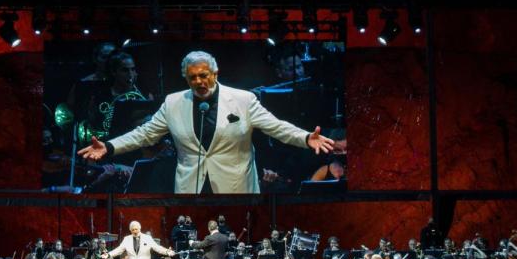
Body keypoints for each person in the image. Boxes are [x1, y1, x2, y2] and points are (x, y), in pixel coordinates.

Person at [78, 51, 334, 194]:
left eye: (203, 75)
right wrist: (109, 147)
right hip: (192, 187)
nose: (199, 82)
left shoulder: (243, 100)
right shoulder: (173, 103)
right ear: (185, 79)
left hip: (235, 188)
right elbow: (144, 134)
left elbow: (276, 126)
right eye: (192, 77)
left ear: (215, 74)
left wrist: (305, 137)